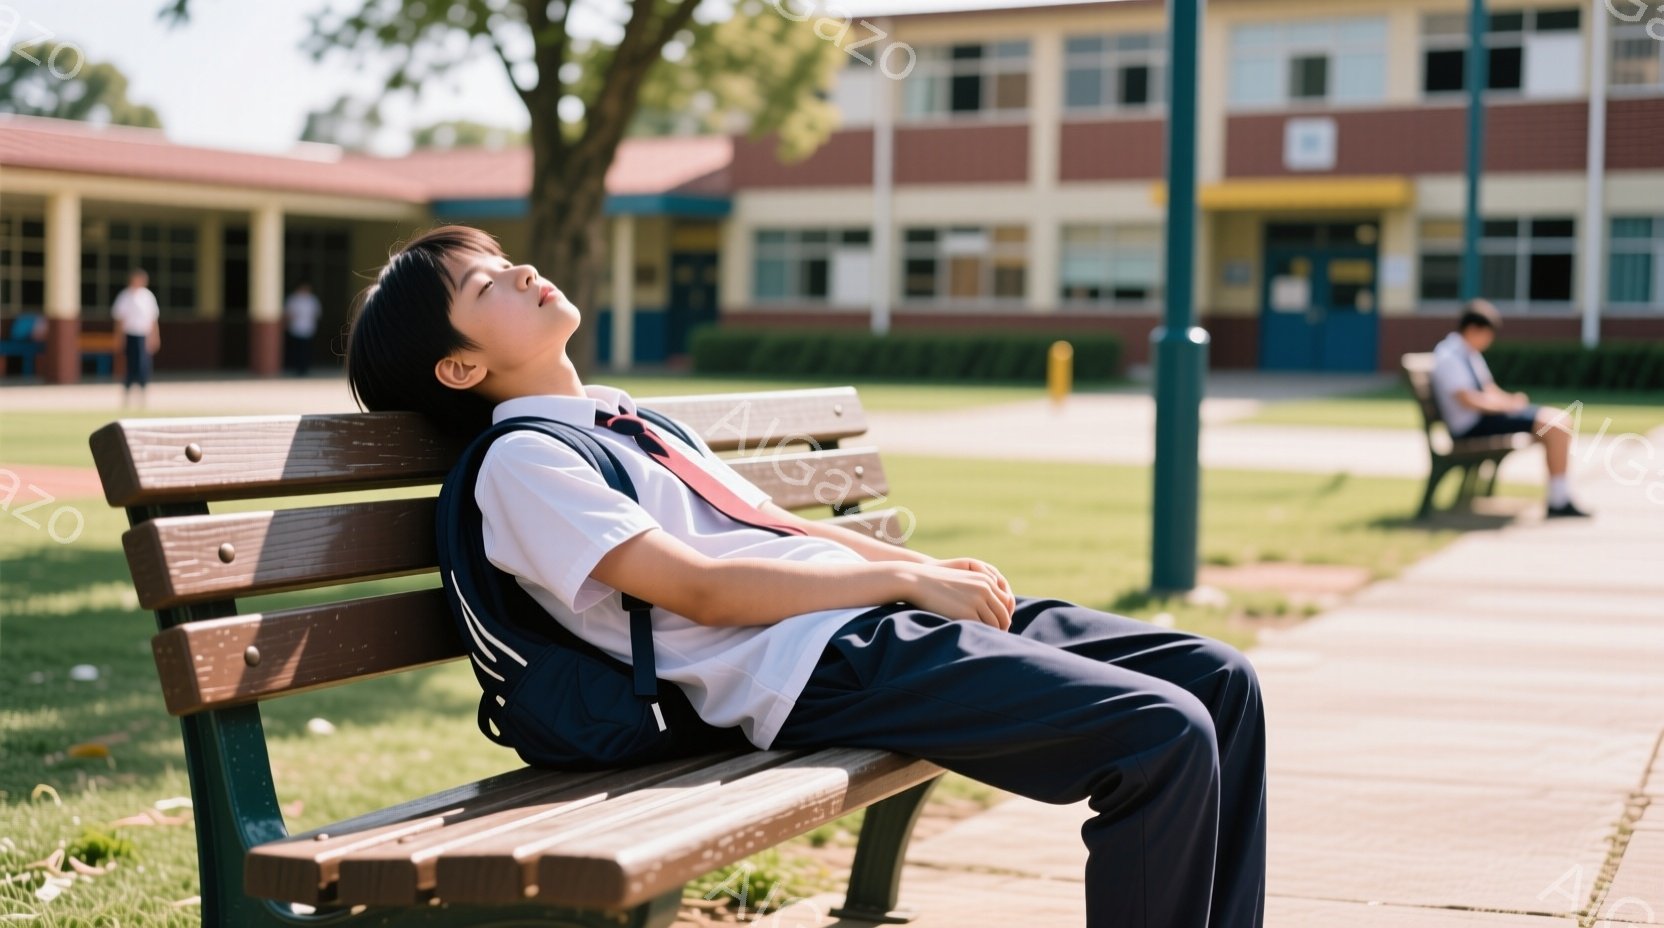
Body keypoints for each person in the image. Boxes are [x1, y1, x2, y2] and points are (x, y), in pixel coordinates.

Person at [344, 225, 1267, 928]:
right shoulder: (523, 465)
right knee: (1160, 735)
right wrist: (903, 588)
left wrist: (921, 568)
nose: (519, 271)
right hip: (812, 664)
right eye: (483, 284)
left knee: (1222, 682)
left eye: (504, 258)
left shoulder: (629, 422)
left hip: (866, 624)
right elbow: (699, 589)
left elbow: (780, 530)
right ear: (461, 366)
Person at [1430, 300, 1590, 518]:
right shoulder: (1449, 356)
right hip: (1472, 426)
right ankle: (1559, 500)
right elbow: (1468, 400)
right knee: (1554, 426)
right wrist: (1504, 406)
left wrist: (1511, 401)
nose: (1489, 341)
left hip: (1487, 419)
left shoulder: (1468, 353)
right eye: (1487, 335)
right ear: (1473, 329)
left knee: (1560, 421)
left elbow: (1488, 389)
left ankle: (1559, 496)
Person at [112, 268, 160, 407]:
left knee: (143, 365)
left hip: (143, 335)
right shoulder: (125, 296)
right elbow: (120, 319)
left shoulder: (148, 296)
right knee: (130, 365)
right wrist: (119, 337)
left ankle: (143, 394)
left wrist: (155, 336)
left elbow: (153, 319)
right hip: (130, 335)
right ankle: (127, 394)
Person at [283, 281, 322, 376]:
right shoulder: (293, 299)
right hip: (295, 329)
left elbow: (317, 313)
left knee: (306, 349)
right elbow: (287, 313)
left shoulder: (312, 300)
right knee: (296, 349)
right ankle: (297, 368)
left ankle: (305, 367)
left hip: (308, 329)